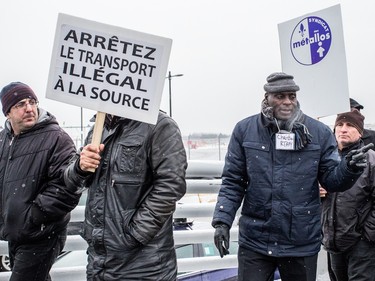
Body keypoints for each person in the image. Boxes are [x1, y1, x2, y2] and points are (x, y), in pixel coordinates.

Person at [211, 72, 369, 281]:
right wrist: (222, 220)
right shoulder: (245, 130)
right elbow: (233, 181)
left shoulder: (318, 133)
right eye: (280, 96)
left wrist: (349, 169)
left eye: (292, 96)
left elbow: (331, 179)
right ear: (266, 97)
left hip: (301, 241)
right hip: (256, 240)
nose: (287, 102)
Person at [64, 111, 187, 280]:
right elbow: (71, 183)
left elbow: (171, 185)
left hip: (144, 267)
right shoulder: (97, 130)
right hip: (99, 263)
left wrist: (133, 235)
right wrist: (79, 167)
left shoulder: (159, 125)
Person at [0, 82, 80, 281]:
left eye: (32, 102)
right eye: (20, 104)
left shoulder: (57, 138)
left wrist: (33, 217)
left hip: (42, 234)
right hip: (15, 233)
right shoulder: (3, 140)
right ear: (7, 112)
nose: (29, 108)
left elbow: (66, 187)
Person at [321, 110, 375, 281]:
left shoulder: (370, 159)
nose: (343, 129)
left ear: (360, 132)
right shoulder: (325, 159)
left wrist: (367, 234)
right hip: (333, 242)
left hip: (361, 244)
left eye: (350, 125)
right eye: (340, 125)